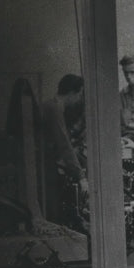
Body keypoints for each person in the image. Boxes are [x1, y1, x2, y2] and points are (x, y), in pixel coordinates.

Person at [41, 74, 88, 228]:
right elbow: (64, 145)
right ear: (73, 93)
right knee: (52, 208)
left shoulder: (51, 105)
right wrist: (81, 177)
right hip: (43, 164)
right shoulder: (54, 108)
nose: (79, 99)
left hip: (43, 162)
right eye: (80, 94)